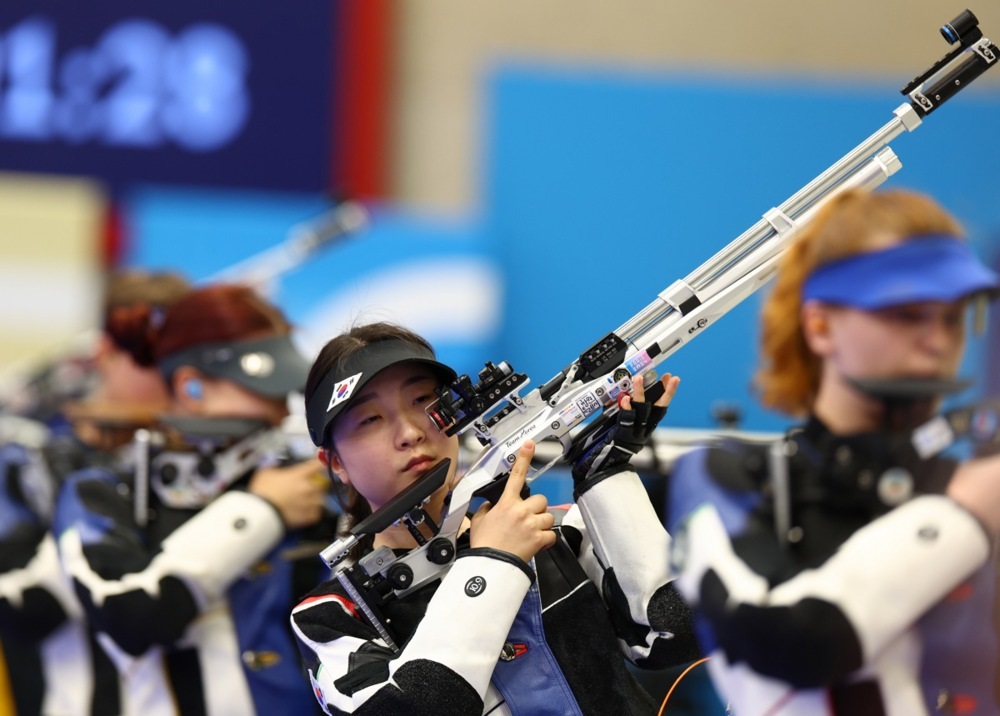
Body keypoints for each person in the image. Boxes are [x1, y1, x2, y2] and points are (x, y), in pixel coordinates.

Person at [668, 187, 1000, 715]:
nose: (938, 340)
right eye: (907, 312)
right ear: (821, 325)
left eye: (954, 317)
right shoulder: (727, 476)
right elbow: (787, 639)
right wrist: (960, 516)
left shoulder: (969, 485)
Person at [291, 321, 701, 715]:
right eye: (370, 420)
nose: (411, 432)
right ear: (335, 462)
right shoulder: (332, 614)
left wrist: (605, 480)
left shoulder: (552, 530)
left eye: (424, 402)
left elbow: (672, 635)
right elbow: (419, 706)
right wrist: (492, 562)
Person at [52, 284, 332, 715]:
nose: (281, 411)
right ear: (191, 387)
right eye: (264, 388)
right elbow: (130, 618)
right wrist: (261, 512)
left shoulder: (306, 484)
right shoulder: (104, 491)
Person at [0, 269, 190, 715]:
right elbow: (20, 610)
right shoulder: (31, 461)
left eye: (185, 360)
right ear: (103, 352)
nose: (173, 380)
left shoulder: (201, 455)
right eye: (149, 357)